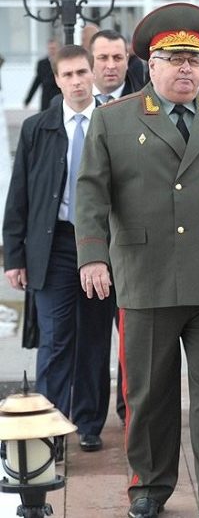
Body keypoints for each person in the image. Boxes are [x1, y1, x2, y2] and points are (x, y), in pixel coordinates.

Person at [74, 2, 199, 518]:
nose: (185, 70)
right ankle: (149, 488)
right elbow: (90, 193)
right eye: (174, 59)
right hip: (146, 276)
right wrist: (92, 257)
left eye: (193, 61)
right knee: (149, 394)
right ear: (151, 65)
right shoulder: (113, 119)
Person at [3, 44, 117, 458]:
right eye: (67, 75)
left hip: (102, 246)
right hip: (53, 246)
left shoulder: (112, 122)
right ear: (56, 80)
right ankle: (49, 427)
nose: (77, 81)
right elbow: (19, 191)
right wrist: (14, 256)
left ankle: (88, 423)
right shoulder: (39, 128)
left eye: (82, 72)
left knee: (94, 338)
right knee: (54, 339)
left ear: (93, 74)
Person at [24, 39, 60, 110]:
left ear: (58, 49)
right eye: (50, 48)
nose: (52, 51)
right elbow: (36, 82)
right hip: (46, 99)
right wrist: (28, 99)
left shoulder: (62, 63)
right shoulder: (41, 63)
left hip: (58, 97)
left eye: (54, 48)